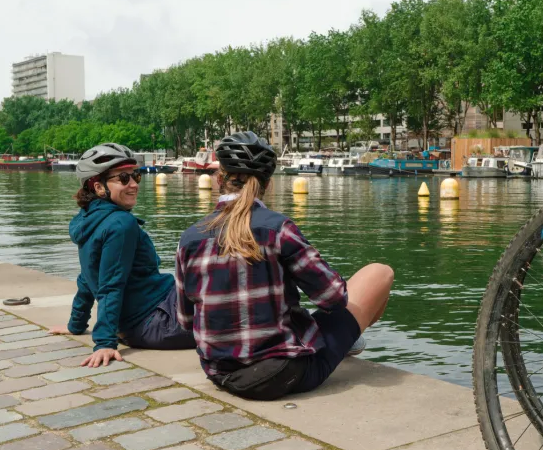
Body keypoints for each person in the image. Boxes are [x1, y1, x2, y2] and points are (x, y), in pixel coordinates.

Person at [175, 132, 394, 400]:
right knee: (380, 273)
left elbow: (185, 321)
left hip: (220, 372)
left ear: (219, 178)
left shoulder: (189, 239)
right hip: (280, 373)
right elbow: (334, 298)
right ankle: (349, 343)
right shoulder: (278, 229)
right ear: (266, 185)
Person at [50, 143, 195, 367]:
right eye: (124, 178)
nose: (134, 184)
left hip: (147, 315)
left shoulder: (88, 218)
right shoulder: (121, 224)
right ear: (99, 187)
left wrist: (76, 324)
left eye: (136, 175)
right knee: (238, 310)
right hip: (159, 319)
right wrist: (104, 343)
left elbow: (87, 277)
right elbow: (111, 284)